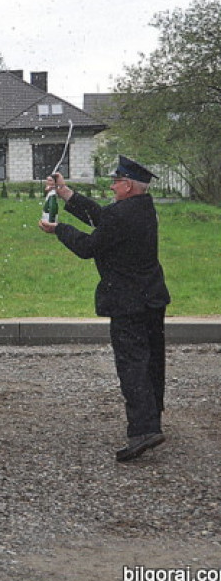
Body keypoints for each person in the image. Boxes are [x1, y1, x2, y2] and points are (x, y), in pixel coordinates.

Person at [38, 156, 171, 462]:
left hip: (128, 302)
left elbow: (88, 247)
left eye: (115, 182)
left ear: (127, 185)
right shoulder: (144, 208)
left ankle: (143, 430)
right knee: (152, 360)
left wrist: (58, 230)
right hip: (152, 297)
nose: (111, 186)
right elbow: (103, 217)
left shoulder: (120, 214)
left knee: (132, 363)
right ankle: (154, 417)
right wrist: (66, 193)